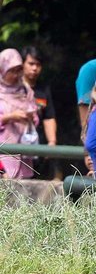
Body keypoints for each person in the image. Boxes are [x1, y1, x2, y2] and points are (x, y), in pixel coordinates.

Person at [0, 49, 39, 179]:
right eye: (11, 71)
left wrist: (31, 117)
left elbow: (35, 118)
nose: (16, 75)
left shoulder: (25, 90)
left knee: (24, 195)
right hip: (3, 157)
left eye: (18, 70)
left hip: (24, 154)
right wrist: (10, 117)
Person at [22, 46, 56, 148]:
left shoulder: (43, 90)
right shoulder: (13, 89)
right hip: (15, 144)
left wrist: (52, 142)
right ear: (22, 64)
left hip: (38, 145)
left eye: (38, 65)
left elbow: (49, 117)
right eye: (31, 64)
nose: (35, 68)